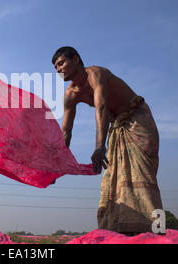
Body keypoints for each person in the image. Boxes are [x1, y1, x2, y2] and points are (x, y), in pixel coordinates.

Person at [52, 46, 163, 235]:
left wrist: (99, 147)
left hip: (137, 119)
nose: (58, 69)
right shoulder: (70, 95)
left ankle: (154, 231)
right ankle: (121, 233)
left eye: (61, 63)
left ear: (76, 59)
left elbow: (101, 107)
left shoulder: (95, 74)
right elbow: (66, 131)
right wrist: (57, 165)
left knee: (142, 175)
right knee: (112, 180)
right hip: (117, 127)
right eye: (55, 67)